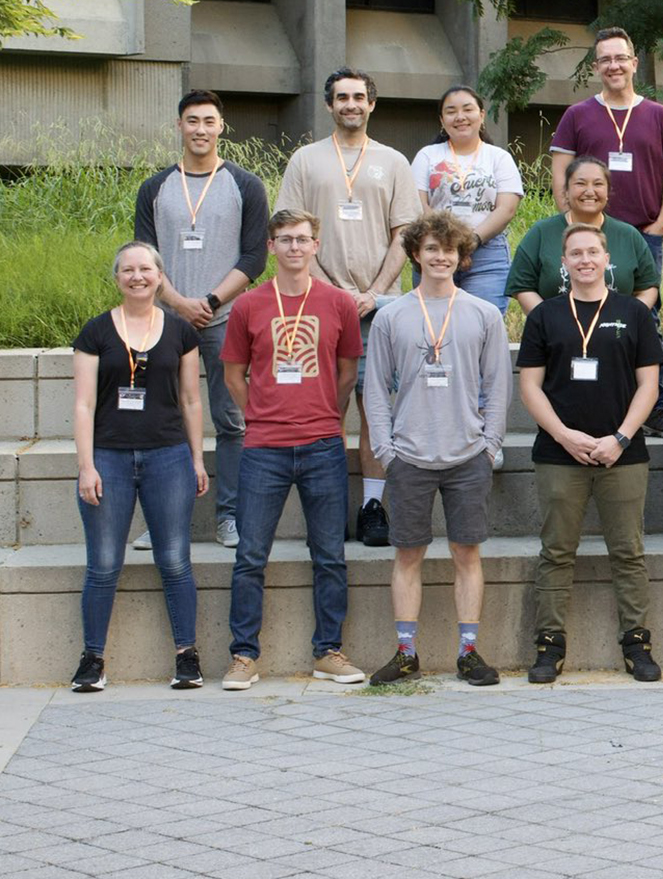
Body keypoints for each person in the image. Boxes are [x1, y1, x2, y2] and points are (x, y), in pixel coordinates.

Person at [361, 211, 510, 688]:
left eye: (449, 250)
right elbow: (375, 390)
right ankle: (406, 652)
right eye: (430, 249)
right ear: (415, 255)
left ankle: (468, 651)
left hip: (467, 455)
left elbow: (498, 387)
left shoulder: (483, 314)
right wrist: (386, 450)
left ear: (462, 257)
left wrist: (489, 446)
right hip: (409, 455)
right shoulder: (392, 316)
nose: (440, 257)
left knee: (467, 554)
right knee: (408, 555)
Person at [274, 68, 421, 547]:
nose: (351, 104)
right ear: (329, 104)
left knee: (376, 411)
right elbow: (292, 230)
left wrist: (375, 291)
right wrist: (333, 292)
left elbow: (406, 233)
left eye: (359, 96)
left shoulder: (394, 161)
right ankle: (331, 505)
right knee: (326, 411)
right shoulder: (305, 160)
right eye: (342, 97)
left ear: (372, 104)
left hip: (381, 309)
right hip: (319, 306)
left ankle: (373, 507)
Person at [218, 210, 364, 691]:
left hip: (323, 444)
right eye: (285, 239)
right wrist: (259, 413)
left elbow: (347, 373)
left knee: (329, 555)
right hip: (264, 447)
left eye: (303, 239)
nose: (295, 248)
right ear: (271, 246)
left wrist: (326, 412)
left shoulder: (338, 303)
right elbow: (233, 375)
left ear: (317, 245)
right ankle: (244, 656)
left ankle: (328, 651)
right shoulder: (248, 306)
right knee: (250, 555)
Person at [516, 223, 663, 685]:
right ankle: (549, 646)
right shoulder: (544, 316)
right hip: (560, 454)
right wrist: (565, 436)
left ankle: (637, 645)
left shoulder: (635, 313)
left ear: (607, 260)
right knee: (556, 552)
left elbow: (650, 385)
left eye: (592, 252)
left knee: (629, 553)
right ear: (563, 263)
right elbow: (529, 387)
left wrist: (619, 438)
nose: (584, 260)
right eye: (575, 253)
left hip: (623, 452)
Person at [130, 89, 267, 552]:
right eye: (192, 121)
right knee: (159, 421)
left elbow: (254, 257)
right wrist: (178, 303)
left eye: (209, 121)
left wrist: (208, 300)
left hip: (226, 318)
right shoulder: (155, 188)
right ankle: (164, 519)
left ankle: (227, 517)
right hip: (165, 321)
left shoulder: (245, 185)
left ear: (221, 126)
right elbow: (144, 258)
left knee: (231, 421)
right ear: (179, 126)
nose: (201, 129)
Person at [69, 242, 208, 692]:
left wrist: (196, 458)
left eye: (145, 269)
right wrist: (86, 466)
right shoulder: (95, 332)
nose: (137, 277)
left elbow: (190, 399)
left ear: (160, 275)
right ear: (117, 278)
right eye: (127, 270)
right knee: (104, 564)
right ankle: (93, 659)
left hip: (167, 457)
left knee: (174, 560)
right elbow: (84, 404)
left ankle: (187, 656)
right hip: (108, 457)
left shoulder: (181, 333)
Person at [548, 26, 663, 438]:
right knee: (591, 320)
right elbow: (561, 171)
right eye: (605, 59)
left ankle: (655, 408)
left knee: (645, 320)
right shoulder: (578, 115)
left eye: (620, 57)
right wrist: (571, 223)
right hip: (590, 235)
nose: (614, 65)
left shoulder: (658, 114)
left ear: (634, 62)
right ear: (596, 67)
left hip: (642, 235)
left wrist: (660, 224)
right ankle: (602, 407)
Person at [410, 86, 523, 313]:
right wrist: (449, 245)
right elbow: (417, 203)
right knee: (433, 324)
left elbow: (506, 209)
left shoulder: (498, 157)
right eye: (451, 111)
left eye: (467, 109)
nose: (460, 117)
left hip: (486, 254)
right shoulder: (427, 156)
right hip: (435, 252)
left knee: (481, 322)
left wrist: (469, 243)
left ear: (481, 115)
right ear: (442, 120)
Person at [506, 156, 660, 311]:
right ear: (566, 191)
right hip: (553, 332)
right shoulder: (541, 232)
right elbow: (522, 286)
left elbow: (648, 288)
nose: (589, 191)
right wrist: (547, 321)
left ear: (608, 192)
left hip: (616, 330)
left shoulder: (628, 235)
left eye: (598, 184)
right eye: (580, 183)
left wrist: (628, 320)